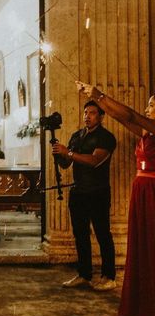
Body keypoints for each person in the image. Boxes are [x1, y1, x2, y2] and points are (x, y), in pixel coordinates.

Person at [77, 82, 155, 316]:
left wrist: (99, 95)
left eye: (153, 104)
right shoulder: (146, 133)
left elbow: (131, 115)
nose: (148, 106)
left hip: (153, 191)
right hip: (141, 190)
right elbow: (123, 119)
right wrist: (98, 100)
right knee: (142, 246)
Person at [52, 99, 117, 291]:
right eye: (85, 113)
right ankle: (84, 275)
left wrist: (69, 153)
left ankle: (109, 276)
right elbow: (66, 164)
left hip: (97, 192)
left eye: (92, 113)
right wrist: (59, 154)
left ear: (101, 116)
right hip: (78, 192)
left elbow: (95, 160)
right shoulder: (77, 136)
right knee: (80, 234)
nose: (87, 116)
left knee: (102, 233)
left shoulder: (106, 137)